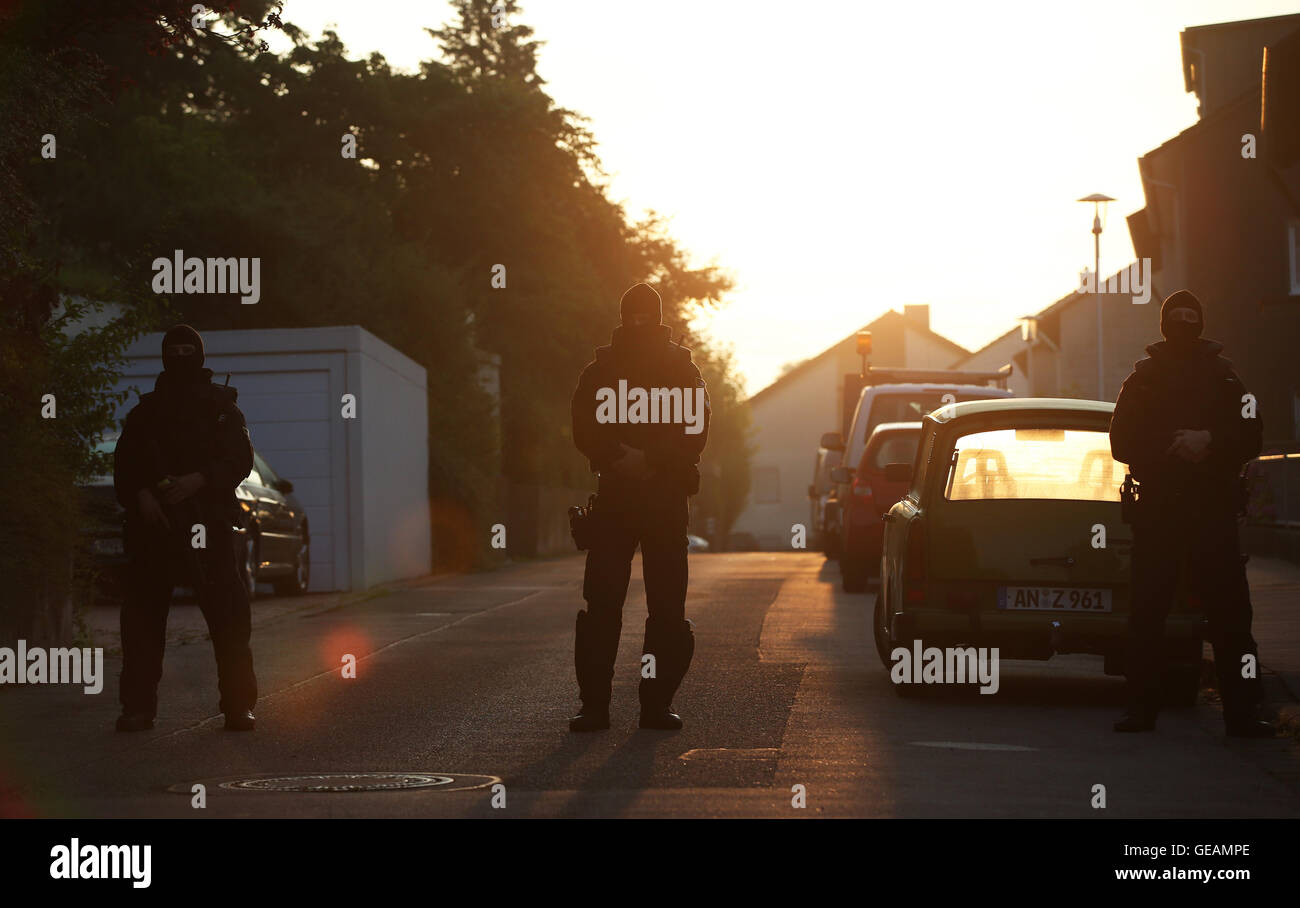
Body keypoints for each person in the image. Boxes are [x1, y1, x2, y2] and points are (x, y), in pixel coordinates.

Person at [1109, 291, 1273, 737]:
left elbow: (1252, 434)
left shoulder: (1227, 380)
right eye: (1176, 317)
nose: (1184, 324)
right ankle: (1140, 708)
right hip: (1160, 513)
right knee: (1147, 616)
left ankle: (1243, 713)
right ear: (1163, 325)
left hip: (1213, 515)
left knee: (1232, 620)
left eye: (1191, 317)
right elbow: (1121, 442)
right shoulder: (1141, 381)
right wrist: (1174, 448)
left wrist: (1210, 441)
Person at [568, 283, 710, 731]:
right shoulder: (605, 370)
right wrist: (623, 459)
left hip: (655, 499)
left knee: (660, 608)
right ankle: (601, 708)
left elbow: (696, 428)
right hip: (626, 500)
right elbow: (585, 427)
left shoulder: (674, 370)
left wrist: (645, 460)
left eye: (642, 315)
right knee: (606, 605)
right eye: (636, 315)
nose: (639, 324)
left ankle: (648, 707)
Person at [112, 325, 258, 732]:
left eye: (186, 350)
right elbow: (125, 466)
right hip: (154, 528)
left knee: (229, 619)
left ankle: (238, 705)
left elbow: (239, 460)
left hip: (207, 524)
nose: (178, 356)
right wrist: (143, 495)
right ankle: (138, 709)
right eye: (171, 350)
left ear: (199, 355)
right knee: (141, 622)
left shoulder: (221, 408)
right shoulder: (146, 412)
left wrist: (199, 480)